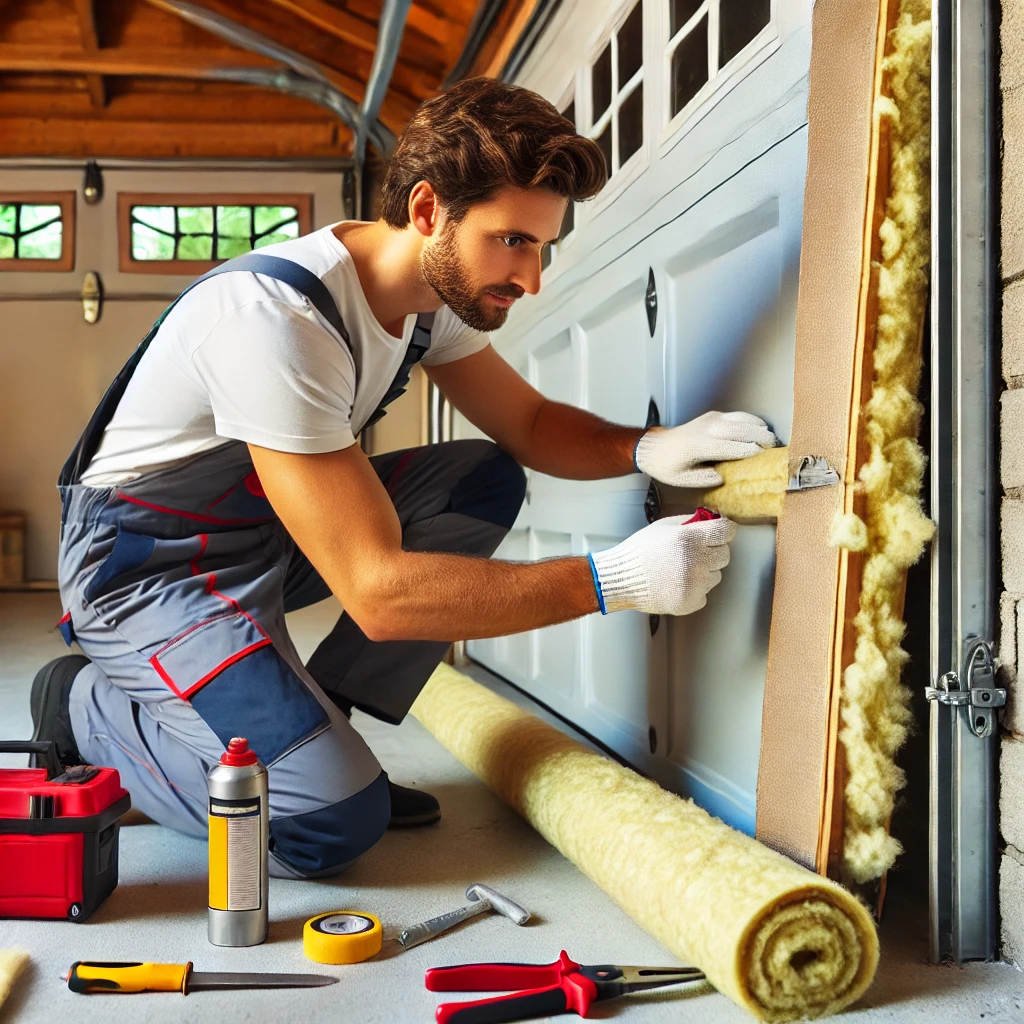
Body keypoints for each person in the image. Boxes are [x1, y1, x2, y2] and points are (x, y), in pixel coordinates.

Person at [30, 78, 776, 879]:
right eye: (512, 241)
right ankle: (80, 705)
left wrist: (650, 446)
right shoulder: (274, 317)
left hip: (262, 534)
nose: (532, 280)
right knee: (327, 823)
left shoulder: (432, 301)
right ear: (428, 211)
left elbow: (526, 426)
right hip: (147, 567)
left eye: (542, 246)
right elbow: (380, 595)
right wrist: (614, 579)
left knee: (480, 478)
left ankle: (323, 728)